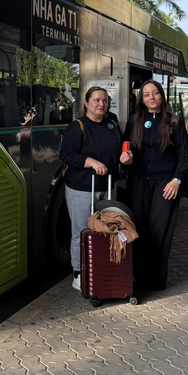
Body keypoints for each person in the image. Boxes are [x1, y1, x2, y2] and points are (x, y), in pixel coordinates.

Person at [120, 80, 188, 291]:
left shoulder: (174, 122)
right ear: (142, 99)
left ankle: (157, 280)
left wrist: (176, 180)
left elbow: (184, 155)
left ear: (161, 96)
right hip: (138, 182)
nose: (151, 97)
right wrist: (126, 160)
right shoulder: (134, 121)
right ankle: (138, 278)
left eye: (155, 93)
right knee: (138, 229)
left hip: (166, 183)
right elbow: (126, 149)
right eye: (147, 94)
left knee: (160, 232)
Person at [59, 86, 123, 291]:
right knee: (81, 231)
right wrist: (91, 161)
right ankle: (78, 272)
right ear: (86, 103)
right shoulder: (77, 126)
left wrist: (126, 160)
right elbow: (67, 155)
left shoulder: (112, 125)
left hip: (108, 188)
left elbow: (119, 153)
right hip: (82, 189)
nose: (101, 104)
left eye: (104, 100)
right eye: (96, 100)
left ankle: (102, 268)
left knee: (107, 231)